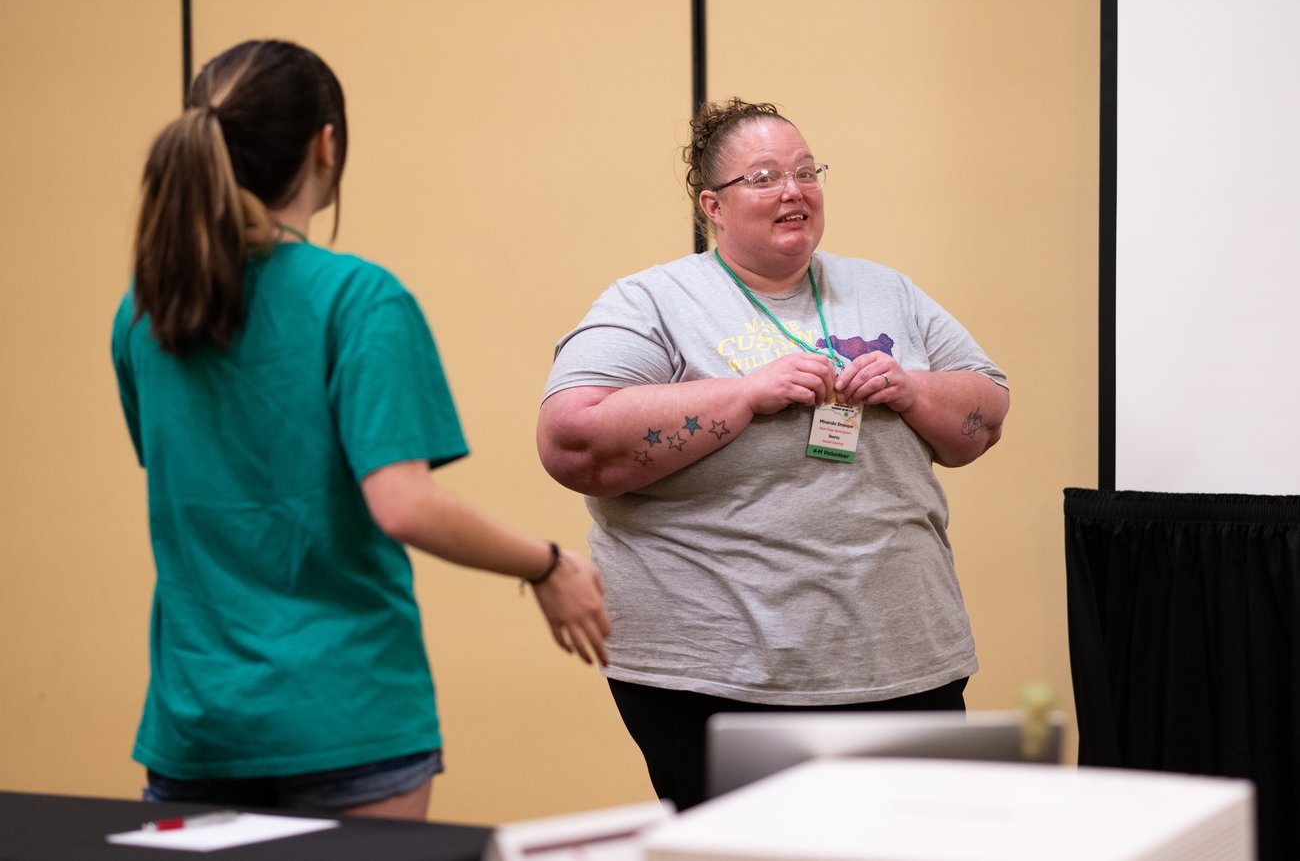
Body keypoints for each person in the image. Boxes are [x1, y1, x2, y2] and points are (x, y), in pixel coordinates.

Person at [112, 40, 610, 820]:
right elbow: (404, 504)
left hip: (196, 720)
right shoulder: (359, 299)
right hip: (346, 715)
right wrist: (547, 565)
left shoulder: (145, 312)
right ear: (326, 145)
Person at [536, 98, 1009, 810]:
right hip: (716, 679)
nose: (794, 191)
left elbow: (987, 411)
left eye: (806, 172)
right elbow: (571, 437)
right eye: (763, 177)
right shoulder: (653, 302)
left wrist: (912, 390)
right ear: (713, 206)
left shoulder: (885, 290)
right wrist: (745, 394)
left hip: (906, 663)